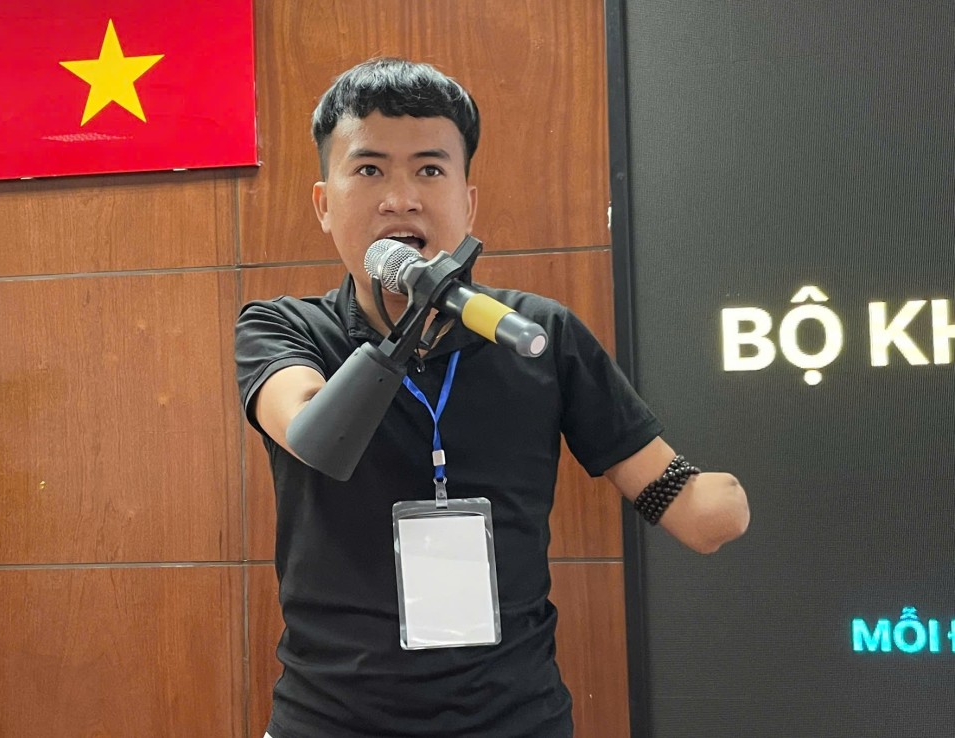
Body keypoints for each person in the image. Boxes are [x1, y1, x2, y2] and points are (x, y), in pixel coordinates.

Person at [235, 57, 749, 738]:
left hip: (515, 718)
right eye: (369, 170)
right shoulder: (283, 328)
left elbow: (678, 499)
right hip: (328, 720)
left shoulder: (537, 334)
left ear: (467, 202)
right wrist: (415, 315)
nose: (400, 198)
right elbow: (313, 433)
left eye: (429, 169)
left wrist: (715, 498)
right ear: (324, 204)